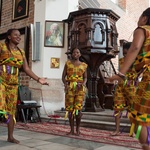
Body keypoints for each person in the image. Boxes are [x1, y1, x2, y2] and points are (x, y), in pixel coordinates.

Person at [109, 8, 150, 150]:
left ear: (144, 18)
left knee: (139, 116)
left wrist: (120, 74)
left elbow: (135, 48)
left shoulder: (143, 29)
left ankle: (146, 145)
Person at [0, 28, 49, 144]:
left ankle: (10, 136)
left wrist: (38, 79)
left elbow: (26, 68)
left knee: (11, 111)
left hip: (13, 84)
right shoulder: (2, 47)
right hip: (1, 81)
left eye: (19, 35)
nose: (18, 37)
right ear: (9, 37)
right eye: (15, 35)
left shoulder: (21, 52)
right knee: (1, 105)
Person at [111, 42, 137, 136]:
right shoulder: (121, 61)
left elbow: (139, 74)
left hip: (131, 86)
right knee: (117, 108)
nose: (126, 55)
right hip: (120, 87)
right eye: (124, 53)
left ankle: (132, 131)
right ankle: (117, 130)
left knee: (132, 109)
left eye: (128, 53)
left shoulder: (136, 61)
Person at [62, 47, 87, 136]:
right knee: (70, 109)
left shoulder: (84, 65)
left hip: (80, 89)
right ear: (72, 54)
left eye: (77, 52)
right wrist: (66, 84)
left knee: (78, 109)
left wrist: (83, 84)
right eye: (74, 52)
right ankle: (71, 130)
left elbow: (85, 77)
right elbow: (63, 77)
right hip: (70, 88)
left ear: (80, 54)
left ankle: (78, 129)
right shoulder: (67, 63)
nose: (76, 54)